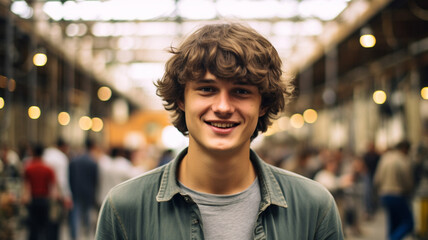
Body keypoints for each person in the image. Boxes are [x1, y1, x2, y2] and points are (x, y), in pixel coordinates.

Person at [96, 22, 344, 239]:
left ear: (263, 104)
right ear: (181, 99)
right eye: (206, 89)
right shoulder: (125, 207)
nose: (223, 107)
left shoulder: (313, 207)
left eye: (241, 91)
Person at [374, 140, 414, 240]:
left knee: (393, 223)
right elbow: (408, 181)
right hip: (398, 194)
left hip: (384, 194)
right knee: (409, 223)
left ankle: (391, 237)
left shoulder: (385, 158)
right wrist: (409, 190)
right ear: (405, 149)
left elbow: (377, 179)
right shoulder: (403, 159)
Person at [23, 144, 58, 240]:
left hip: (33, 200)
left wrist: (25, 198)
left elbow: (26, 186)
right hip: (44, 200)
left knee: (33, 227)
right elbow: (53, 187)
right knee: (45, 226)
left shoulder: (28, 168)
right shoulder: (48, 168)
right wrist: (54, 200)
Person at [42, 138, 73, 240]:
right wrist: (67, 196)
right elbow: (62, 179)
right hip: (56, 195)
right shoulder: (61, 158)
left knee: (45, 223)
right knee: (55, 222)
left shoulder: (46, 154)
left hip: (43, 194)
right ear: (63, 146)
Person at [69, 139, 99, 240]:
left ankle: (75, 236)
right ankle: (87, 235)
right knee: (87, 214)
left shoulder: (74, 160)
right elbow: (95, 180)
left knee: (75, 214)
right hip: (88, 192)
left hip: (76, 191)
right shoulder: (92, 162)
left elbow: (70, 177)